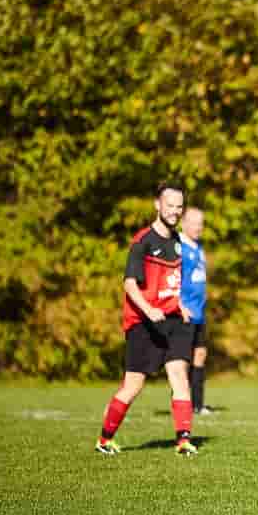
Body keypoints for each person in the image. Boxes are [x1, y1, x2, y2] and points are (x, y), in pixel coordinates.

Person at [96, 184, 197, 456]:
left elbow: (171, 281)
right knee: (133, 386)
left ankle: (183, 441)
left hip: (173, 320)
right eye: (170, 205)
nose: (175, 211)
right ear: (157, 205)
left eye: (179, 206)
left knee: (179, 376)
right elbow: (129, 284)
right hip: (144, 322)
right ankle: (105, 439)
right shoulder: (143, 242)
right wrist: (149, 309)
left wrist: (180, 305)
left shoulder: (179, 242)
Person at [180, 206, 213, 416]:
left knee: (200, 355)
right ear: (183, 223)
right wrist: (179, 305)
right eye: (194, 222)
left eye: (201, 223)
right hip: (184, 312)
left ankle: (198, 405)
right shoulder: (178, 247)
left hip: (199, 312)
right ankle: (182, 403)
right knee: (181, 362)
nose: (198, 227)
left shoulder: (199, 247)